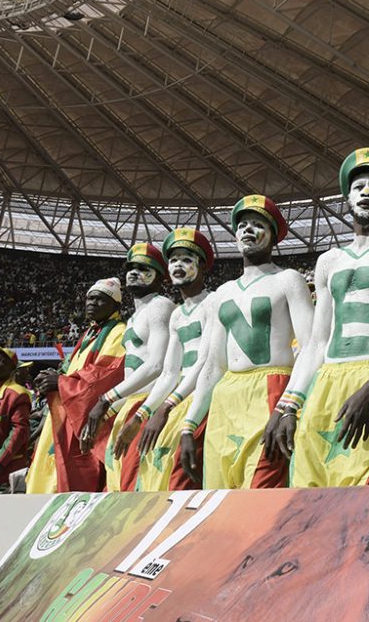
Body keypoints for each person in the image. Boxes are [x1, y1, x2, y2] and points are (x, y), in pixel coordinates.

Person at [265, 148, 369, 486]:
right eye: (359, 186)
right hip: (326, 381)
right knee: (310, 489)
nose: (366, 192)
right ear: (346, 197)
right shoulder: (328, 261)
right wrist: (287, 404)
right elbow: (317, 341)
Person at [180, 195, 313, 489]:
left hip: (271, 390)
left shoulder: (289, 280)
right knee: (219, 494)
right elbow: (214, 366)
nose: (248, 230)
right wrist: (190, 425)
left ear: (274, 235)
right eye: (242, 225)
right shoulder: (222, 294)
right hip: (226, 398)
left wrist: (289, 405)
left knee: (262, 494)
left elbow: (310, 345)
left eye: (258, 224)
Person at [111, 229, 217, 491]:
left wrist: (165, 408)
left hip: (206, 397)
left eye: (186, 259)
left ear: (202, 266)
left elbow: (205, 361)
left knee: (180, 479)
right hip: (179, 398)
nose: (178, 266)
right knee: (152, 472)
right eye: (174, 260)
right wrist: (141, 416)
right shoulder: (178, 315)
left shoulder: (214, 302)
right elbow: (169, 372)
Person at [81, 244, 173, 492]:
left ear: (160, 276)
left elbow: (156, 365)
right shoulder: (133, 317)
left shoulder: (160, 306)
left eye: (143, 268)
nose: (133, 272)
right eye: (130, 268)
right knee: (118, 485)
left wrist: (106, 399)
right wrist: (109, 413)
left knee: (138, 489)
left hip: (149, 406)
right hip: (129, 407)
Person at [26, 278, 126, 492]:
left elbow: (106, 375)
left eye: (100, 300)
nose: (92, 303)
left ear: (115, 305)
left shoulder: (118, 331)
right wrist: (54, 378)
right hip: (65, 412)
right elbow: (72, 370)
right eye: (90, 298)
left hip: (82, 418)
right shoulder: (90, 333)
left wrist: (60, 382)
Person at [0, 347, 31, 492]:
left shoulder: (18, 393)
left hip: (4, 471)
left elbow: (19, 431)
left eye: (2, 361)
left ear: (12, 369)